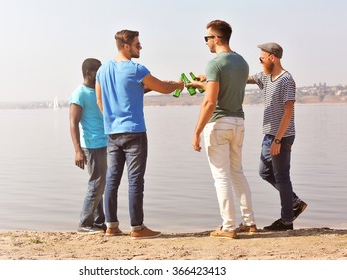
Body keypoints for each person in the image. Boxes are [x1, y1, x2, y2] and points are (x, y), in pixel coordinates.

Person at [96, 29, 184, 240]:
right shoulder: (136, 69)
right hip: (134, 132)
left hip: (112, 132)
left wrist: (111, 119)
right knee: (135, 181)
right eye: (137, 44)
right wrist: (179, 85)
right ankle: (137, 227)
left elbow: (101, 100)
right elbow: (163, 87)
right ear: (126, 46)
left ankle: (111, 226)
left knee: (112, 180)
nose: (140, 47)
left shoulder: (102, 70)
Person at [188, 20, 257, 239]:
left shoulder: (215, 63)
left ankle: (228, 227)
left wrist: (197, 131)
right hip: (238, 123)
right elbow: (225, 85)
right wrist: (205, 81)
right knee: (237, 173)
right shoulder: (242, 62)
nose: (206, 42)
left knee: (221, 177)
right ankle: (250, 222)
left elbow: (210, 102)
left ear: (217, 38)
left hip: (219, 123)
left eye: (207, 38)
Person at [248, 42, 307, 231]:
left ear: (271, 58)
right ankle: (295, 202)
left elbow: (288, 111)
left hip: (281, 136)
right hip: (269, 135)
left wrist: (278, 139)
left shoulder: (286, 79)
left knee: (282, 177)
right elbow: (246, 78)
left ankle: (286, 221)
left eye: (261, 58)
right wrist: (212, 77)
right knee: (264, 172)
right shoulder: (266, 77)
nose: (260, 62)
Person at [69, 58, 107, 234]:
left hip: (105, 142)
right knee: (96, 184)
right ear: (89, 73)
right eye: (98, 71)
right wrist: (77, 150)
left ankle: (99, 223)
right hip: (91, 145)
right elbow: (73, 123)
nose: (100, 74)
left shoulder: (98, 90)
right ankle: (84, 224)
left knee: (101, 185)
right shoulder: (79, 94)